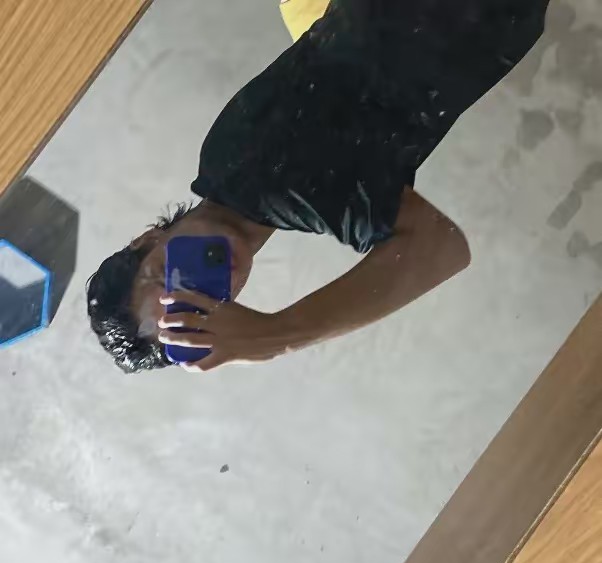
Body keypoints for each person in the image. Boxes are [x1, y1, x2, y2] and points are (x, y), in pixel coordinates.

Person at [87, 0, 550, 374]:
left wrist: (276, 336)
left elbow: (439, 248)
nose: (204, 281)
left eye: (168, 276)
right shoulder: (222, 165)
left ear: (147, 239)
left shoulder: (275, 188)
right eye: (201, 306)